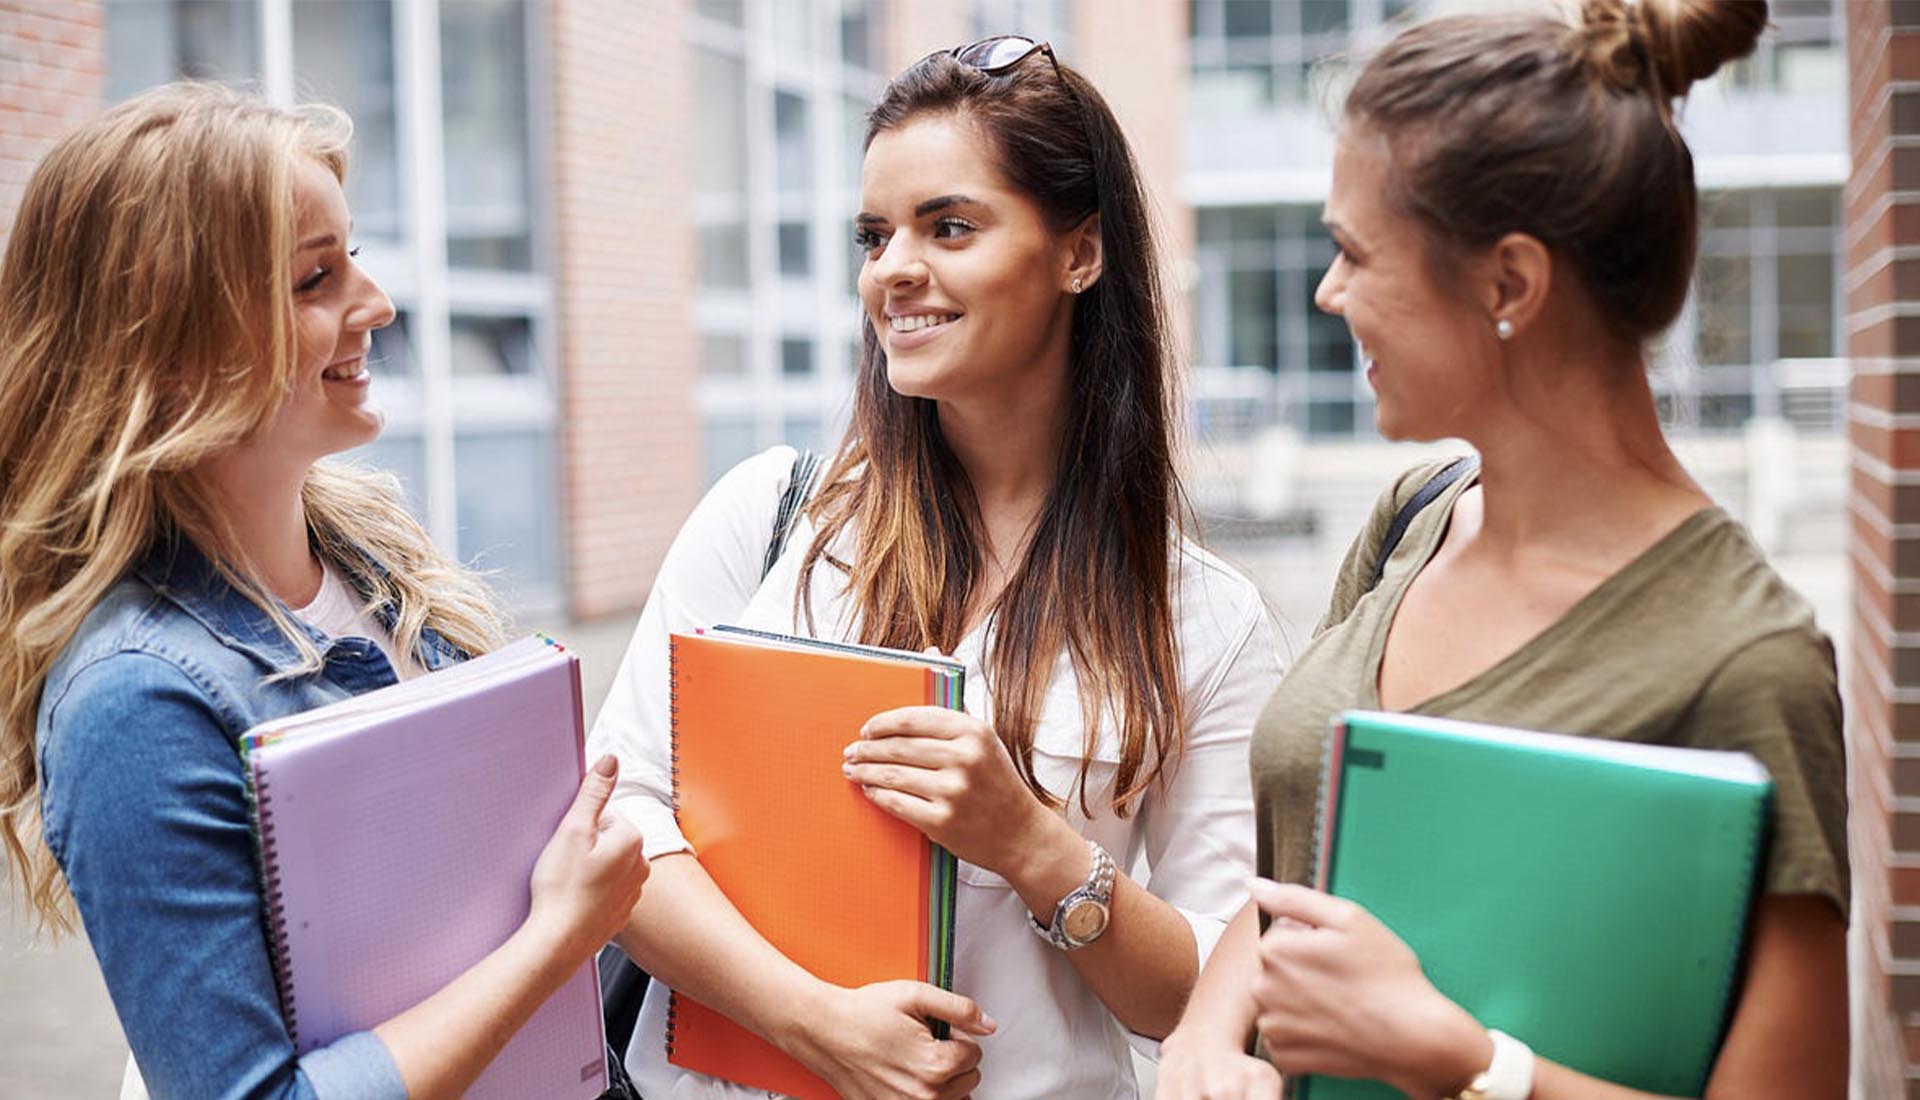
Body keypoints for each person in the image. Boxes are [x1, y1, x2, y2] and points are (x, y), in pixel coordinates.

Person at [1156, 2, 1849, 1098]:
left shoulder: (1746, 656)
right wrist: (1207, 1030)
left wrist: (1468, 1062)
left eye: (1351, 251)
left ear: (1509, 284)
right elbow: (1301, 884)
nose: (1327, 292)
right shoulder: (1410, 522)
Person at [589, 36, 1282, 1100]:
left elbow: (1213, 993)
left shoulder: (1204, 619)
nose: (893, 269)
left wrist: (1034, 845)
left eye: (948, 226)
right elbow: (618, 820)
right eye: (875, 235)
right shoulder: (772, 519)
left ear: (1080, 254)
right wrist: (814, 1022)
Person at [0, 82, 650, 1100]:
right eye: (315, 278)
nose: (376, 304)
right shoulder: (133, 701)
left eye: (353, 257)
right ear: (171, 348)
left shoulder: (376, 555)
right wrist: (557, 936)